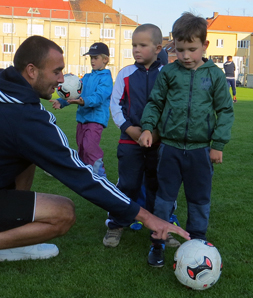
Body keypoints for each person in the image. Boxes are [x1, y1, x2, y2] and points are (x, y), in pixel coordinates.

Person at [0, 36, 190, 293]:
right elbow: (82, 176)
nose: (61, 80)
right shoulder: (25, 119)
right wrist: (146, 216)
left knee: (27, 154)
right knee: (63, 213)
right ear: (31, 71)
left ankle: (8, 243)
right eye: (56, 71)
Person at [139, 12, 234, 267]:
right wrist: (147, 128)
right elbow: (155, 102)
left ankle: (198, 245)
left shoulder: (214, 75)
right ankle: (157, 245)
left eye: (192, 49)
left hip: (200, 152)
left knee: (199, 200)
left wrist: (217, 145)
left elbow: (225, 110)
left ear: (205, 46)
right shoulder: (169, 72)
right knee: (163, 200)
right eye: (180, 50)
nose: (186, 56)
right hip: (169, 149)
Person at [104, 24, 175, 248]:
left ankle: (162, 226)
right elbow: (115, 105)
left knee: (158, 187)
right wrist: (129, 128)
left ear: (157, 48)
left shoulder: (167, 75)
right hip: (129, 142)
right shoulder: (125, 74)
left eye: (142, 45)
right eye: (134, 45)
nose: (136, 49)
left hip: (159, 142)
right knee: (128, 184)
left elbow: (173, 107)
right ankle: (116, 224)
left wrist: (158, 133)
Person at [50, 42, 113, 177]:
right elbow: (74, 94)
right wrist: (61, 102)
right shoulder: (86, 77)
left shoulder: (106, 78)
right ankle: (87, 176)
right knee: (82, 149)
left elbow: (99, 96)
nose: (92, 61)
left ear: (105, 59)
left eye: (95, 58)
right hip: (82, 120)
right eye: (91, 58)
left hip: (96, 120)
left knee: (90, 148)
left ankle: (100, 176)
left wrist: (85, 101)